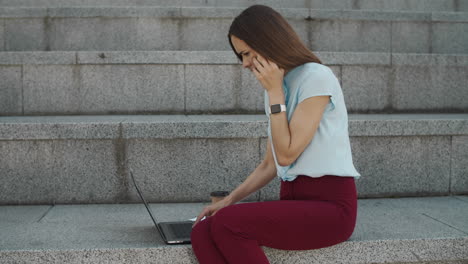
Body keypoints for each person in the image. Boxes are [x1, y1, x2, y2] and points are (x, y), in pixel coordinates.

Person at [191, 5, 361, 264]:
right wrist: (229, 200)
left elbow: (286, 154)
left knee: (228, 224)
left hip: (332, 209)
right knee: (203, 229)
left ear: (267, 41)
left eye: (247, 53)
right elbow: (269, 164)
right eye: (241, 57)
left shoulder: (316, 77)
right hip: (295, 204)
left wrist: (275, 95)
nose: (245, 64)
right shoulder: (276, 88)